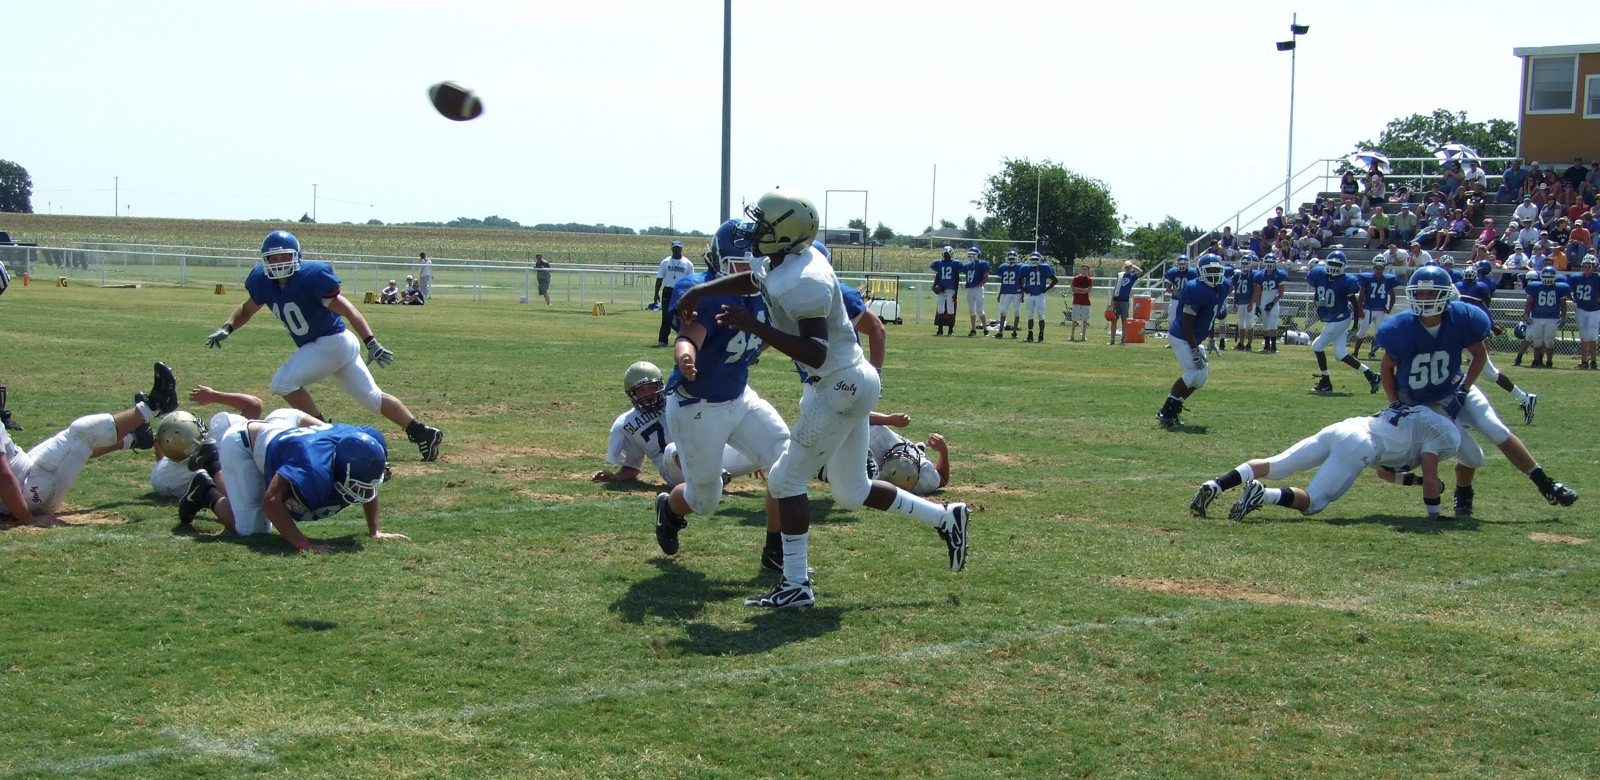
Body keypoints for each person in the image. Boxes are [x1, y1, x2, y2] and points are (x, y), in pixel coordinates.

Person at [673, 189, 969, 608]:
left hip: (838, 384)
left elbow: (814, 350)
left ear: (786, 232)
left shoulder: (805, 280)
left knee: (785, 479)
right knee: (851, 491)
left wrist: (755, 328)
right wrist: (700, 293)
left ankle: (795, 584)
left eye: (763, 224)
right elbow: (755, 279)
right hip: (845, 381)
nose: (755, 231)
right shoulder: (789, 259)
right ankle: (945, 517)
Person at [203, 230, 444, 461]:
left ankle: (326, 435)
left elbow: (349, 309)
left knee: (282, 383)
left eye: (284, 257)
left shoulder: (310, 278)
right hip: (335, 346)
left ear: (296, 257)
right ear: (265, 260)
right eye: (273, 258)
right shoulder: (263, 282)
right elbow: (247, 309)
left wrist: (371, 341)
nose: (278, 263)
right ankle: (423, 433)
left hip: (332, 342)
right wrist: (228, 327)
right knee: (373, 399)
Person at [1377, 266, 1578, 516]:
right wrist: (1394, 403)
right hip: (1425, 403)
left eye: (1432, 293)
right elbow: (1386, 368)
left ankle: (1546, 484)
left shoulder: (1461, 317)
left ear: (1445, 294)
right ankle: (1464, 491)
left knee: (1496, 429)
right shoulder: (1402, 326)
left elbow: (1479, 355)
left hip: (1455, 387)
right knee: (1474, 458)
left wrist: (1464, 389)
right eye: (1421, 293)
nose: (1425, 299)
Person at [1189, 404, 1458, 522]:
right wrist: (1434, 514)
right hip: (1362, 443)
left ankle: (1217, 485)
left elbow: (1386, 474)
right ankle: (1263, 495)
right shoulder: (1438, 434)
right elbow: (1431, 477)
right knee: (1315, 501)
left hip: (1344, 427)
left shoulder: (1413, 418)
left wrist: (1419, 482)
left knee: (1277, 464)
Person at [179, 419, 405, 553]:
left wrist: (375, 530)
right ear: (337, 469)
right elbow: (271, 501)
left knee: (248, 498)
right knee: (252, 529)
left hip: (280, 442)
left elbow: (367, 483)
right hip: (245, 446)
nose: (364, 492)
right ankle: (206, 486)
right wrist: (304, 545)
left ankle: (215, 471)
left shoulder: (365, 444)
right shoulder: (312, 465)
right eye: (357, 485)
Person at [0, 364, 179, 528]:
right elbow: (3, 476)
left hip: (27, 479)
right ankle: (155, 406)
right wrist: (29, 518)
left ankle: (136, 438)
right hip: (31, 492)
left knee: (73, 445)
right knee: (81, 434)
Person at [592, 361, 761, 490]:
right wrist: (616, 477)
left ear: (660, 385)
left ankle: (715, 476)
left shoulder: (678, 399)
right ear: (632, 394)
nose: (648, 394)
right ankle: (715, 477)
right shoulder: (625, 423)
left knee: (760, 449)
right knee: (674, 448)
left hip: (707, 454)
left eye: (652, 387)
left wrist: (748, 449)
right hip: (674, 470)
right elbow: (632, 467)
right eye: (642, 390)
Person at [1156, 255, 1227, 428]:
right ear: (1201, 272)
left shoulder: (1222, 286)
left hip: (1194, 337)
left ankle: (1175, 407)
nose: (1214, 275)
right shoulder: (1194, 288)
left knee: (1201, 377)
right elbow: (1187, 323)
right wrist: (1194, 349)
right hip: (1181, 336)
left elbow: (1210, 316)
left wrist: (1211, 338)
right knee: (1192, 373)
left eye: (1217, 270)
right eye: (1210, 270)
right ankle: (1166, 410)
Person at [1307, 251, 1381, 394]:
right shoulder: (1319, 274)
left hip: (1340, 318)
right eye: (1331, 263)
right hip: (1336, 318)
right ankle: (1372, 375)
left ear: (1343, 267)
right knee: (1340, 354)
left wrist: (1355, 325)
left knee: (1317, 346)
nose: (1333, 267)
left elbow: (1355, 304)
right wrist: (1317, 302)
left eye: (1337, 265)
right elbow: (1318, 294)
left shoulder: (1346, 280)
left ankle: (1326, 382)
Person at [1521, 265, 1571, 369]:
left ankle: (1549, 361)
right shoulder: (1535, 286)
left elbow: (1563, 303)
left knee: (1549, 340)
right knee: (1537, 340)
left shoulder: (1560, 288)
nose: (1548, 279)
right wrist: (1526, 314)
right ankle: (1536, 360)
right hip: (1537, 316)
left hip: (1552, 317)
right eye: (1546, 277)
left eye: (1550, 277)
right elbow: (1529, 302)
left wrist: (1563, 316)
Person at [1350, 257, 1400, 360]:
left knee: (1377, 333)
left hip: (1380, 310)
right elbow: (1361, 295)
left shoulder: (1388, 280)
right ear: (1374, 269)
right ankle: (1355, 353)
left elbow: (1392, 295)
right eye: (1377, 268)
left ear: (1384, 269)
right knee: (1362, 331)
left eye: (1380, 269)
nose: (1378, 271)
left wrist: (1389, 308)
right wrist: (1360, 309)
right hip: (1368, 309)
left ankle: (1372, 353)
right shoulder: (1367, 278)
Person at [653, 240, 695, 347]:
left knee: (681, 315)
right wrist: (656, 293)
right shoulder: (665, 262)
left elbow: (692, 280)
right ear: (672, 249)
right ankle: (663, 340)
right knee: (666, 316)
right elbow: (659, 278)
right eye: (674, 248)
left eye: (678, 248)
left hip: (681, 292)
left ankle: (683, 338)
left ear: (681, 249)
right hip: (668, 291)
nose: (676, 250)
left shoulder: (687, 263)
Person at [1251, 254, 1288, 353]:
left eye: (1271, 262)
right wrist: (1257, 305)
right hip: (1264, 299)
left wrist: (1272, 303)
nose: (1269, 264)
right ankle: (1266, 346)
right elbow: (1258, 292)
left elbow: (1281, 292)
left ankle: (1274, 347)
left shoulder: (1279, 274)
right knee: (1265, 324)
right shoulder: (1260, 275)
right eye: (1268, 262)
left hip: (1273, 300)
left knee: (1273, 323)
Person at [1570, 255, 1600, 369]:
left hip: (1594, 310)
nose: (1587, 269)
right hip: (1581, 309)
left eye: (1589, 267)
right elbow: (1567, 290)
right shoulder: (1576, 277)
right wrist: (1571, 298)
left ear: (1595, 267)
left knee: (1592, 336)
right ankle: (1584, 361)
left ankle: (1593, 361)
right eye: (1585, 266)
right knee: (1583, 336)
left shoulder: (1597, 278)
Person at [1021, 251, 1058, 342]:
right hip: (1030, 295)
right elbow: (1019, 279)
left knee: (1040, 315)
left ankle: (1041, 335)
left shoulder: (1044, 267)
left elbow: (1055, 280)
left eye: (1036, 259)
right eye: (1032, 259)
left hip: (1040, 295)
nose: (1034, 261)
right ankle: (1030, 335)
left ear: (1040, 260)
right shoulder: (1026, 268)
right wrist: (1023, 289)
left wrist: (1046, 289)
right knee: (1030, 315)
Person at [929, 246, 964, 336]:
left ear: (951, 254)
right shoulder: (939, 263)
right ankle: (940, 330)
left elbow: (956, 279)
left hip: (950, 289)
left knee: (950, 309)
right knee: (940, 309)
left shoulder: (955, 263)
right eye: (945, 254)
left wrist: (956, 292)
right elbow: (937, 276)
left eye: (947, 254)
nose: (946, 255)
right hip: (941, 288)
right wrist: (934, 286)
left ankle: (950, 330)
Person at [1230, 252, 1257, 351]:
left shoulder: (1253, 275)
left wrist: (1251, 303)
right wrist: (1234, 304)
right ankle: (1241, 343)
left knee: (1249, 324)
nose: (1245, 265)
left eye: (1246, 263)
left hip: (1249, 301)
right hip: (1240, 302)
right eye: (1243, 263)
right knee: (1241, 324)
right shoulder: (1238, 275)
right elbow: (1235, 291)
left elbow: (1256, 290)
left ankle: (1249, 344)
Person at [1108, 261, 1140, 346]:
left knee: (1124, 320)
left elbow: (1140, 272)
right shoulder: (1120, 275)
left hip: (1125, 300)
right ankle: (1112, 339)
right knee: (1114, 320)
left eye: (1129, 267)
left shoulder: (1132, 276)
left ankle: (1123, 339)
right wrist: (1112, 298)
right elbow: (1116, 286)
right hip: (1116, 299)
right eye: (1126, 267)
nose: (1127, 269)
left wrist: (1133, 266)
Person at [994, 249, 1023, 339]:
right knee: (1003, 311)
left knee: (1016, 312)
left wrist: (1022, 294)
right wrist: (999, 294)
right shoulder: (1003, 267)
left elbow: (1022, 281)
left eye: (1013, 259)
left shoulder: (1020, 267)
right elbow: (1002, 282)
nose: (1011, 261)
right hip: (1007, 292)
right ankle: (1000, 332)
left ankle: (1014, 332)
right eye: (1010, 259)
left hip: (1017, 292)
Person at [962, 246, 990, 337]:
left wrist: (979, 285)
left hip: (978, 289)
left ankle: (985, 329)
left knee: (979, 310)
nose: (971, 256)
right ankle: (973, 329)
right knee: (971, 310)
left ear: (978, 255)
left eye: (973, 254)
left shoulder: (982, 264)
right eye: (970, 254)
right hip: (970, 289)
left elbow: (986, 278)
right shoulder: (967, 265)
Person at [1163, 254, 1196, 329]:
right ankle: (1173, 332)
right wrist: (1174, 291)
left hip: (1188, 300)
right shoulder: (1173, 272)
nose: (1182, 266)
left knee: (1188, 319)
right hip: (1176, 299)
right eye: (1180, 264)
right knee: (1172, 319)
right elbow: (1167, 289)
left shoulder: (1193, 273)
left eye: (1183, 264)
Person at [1068, 264, 1094, 342]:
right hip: (1077, 301)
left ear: (1088, 270)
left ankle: (1083, 335)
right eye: (1083, 269)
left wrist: (1080, 290)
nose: (1084, 270)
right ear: (1081, 269)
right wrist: (1083, 290)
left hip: (1086, 302)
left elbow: (1089, 290)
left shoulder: (1089, 279)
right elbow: (1073, 289)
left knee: (1085, 319)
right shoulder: (1076, 278)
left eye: (1086, 269)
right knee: (1074, 319)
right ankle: (1072, 335)